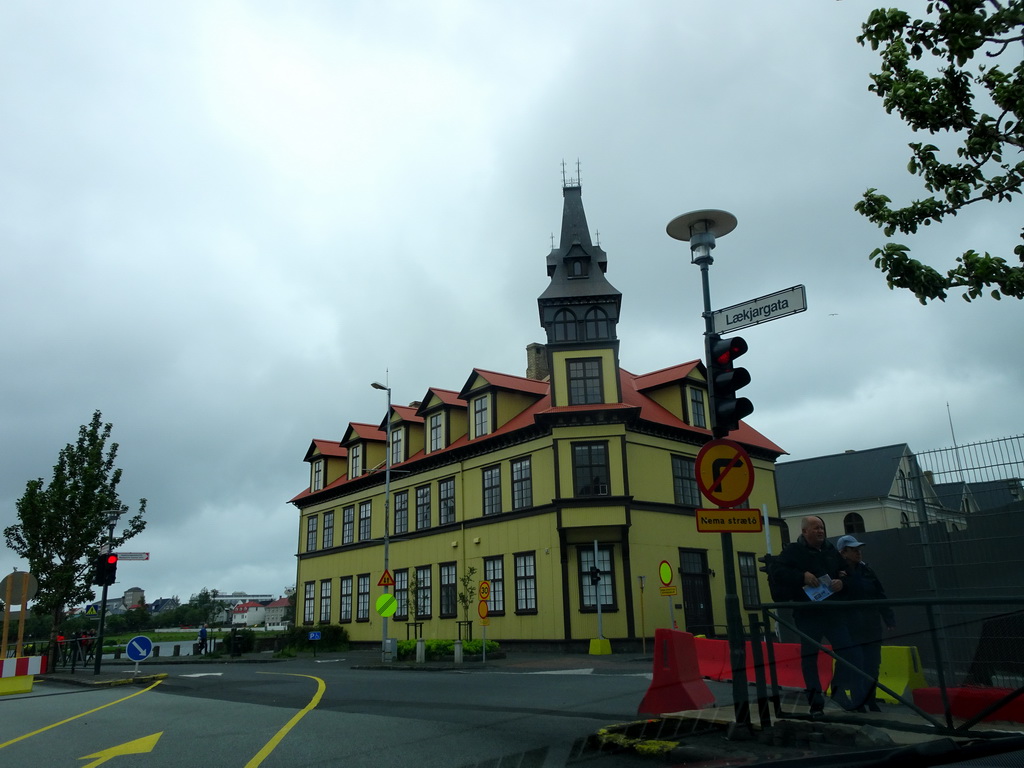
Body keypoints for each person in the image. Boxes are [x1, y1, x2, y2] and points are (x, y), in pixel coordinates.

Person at [774, 515, 864, 716]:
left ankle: (838, 689)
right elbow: (777, 572)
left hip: (832, 611)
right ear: (804, 531)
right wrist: (801, 577)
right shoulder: (793, 551)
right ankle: (815, 702)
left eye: (822, 527)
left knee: (847, 652)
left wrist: (843, 583)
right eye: (815, 528)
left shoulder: (831, 550)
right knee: (810, 658)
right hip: (808, 613)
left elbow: (847, 573)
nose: (820, 531)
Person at [834, 535, 896, 712]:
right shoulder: (837, 572)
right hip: (850, 626)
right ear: (843, 552)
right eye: (853, 550)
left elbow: (880, 595)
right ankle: (858, 701)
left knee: (873, 664)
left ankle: (871, 699)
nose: (858, 552)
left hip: (871, 625)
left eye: (859, 549)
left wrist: (888, 617)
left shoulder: (867, 571)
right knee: (857, 663)